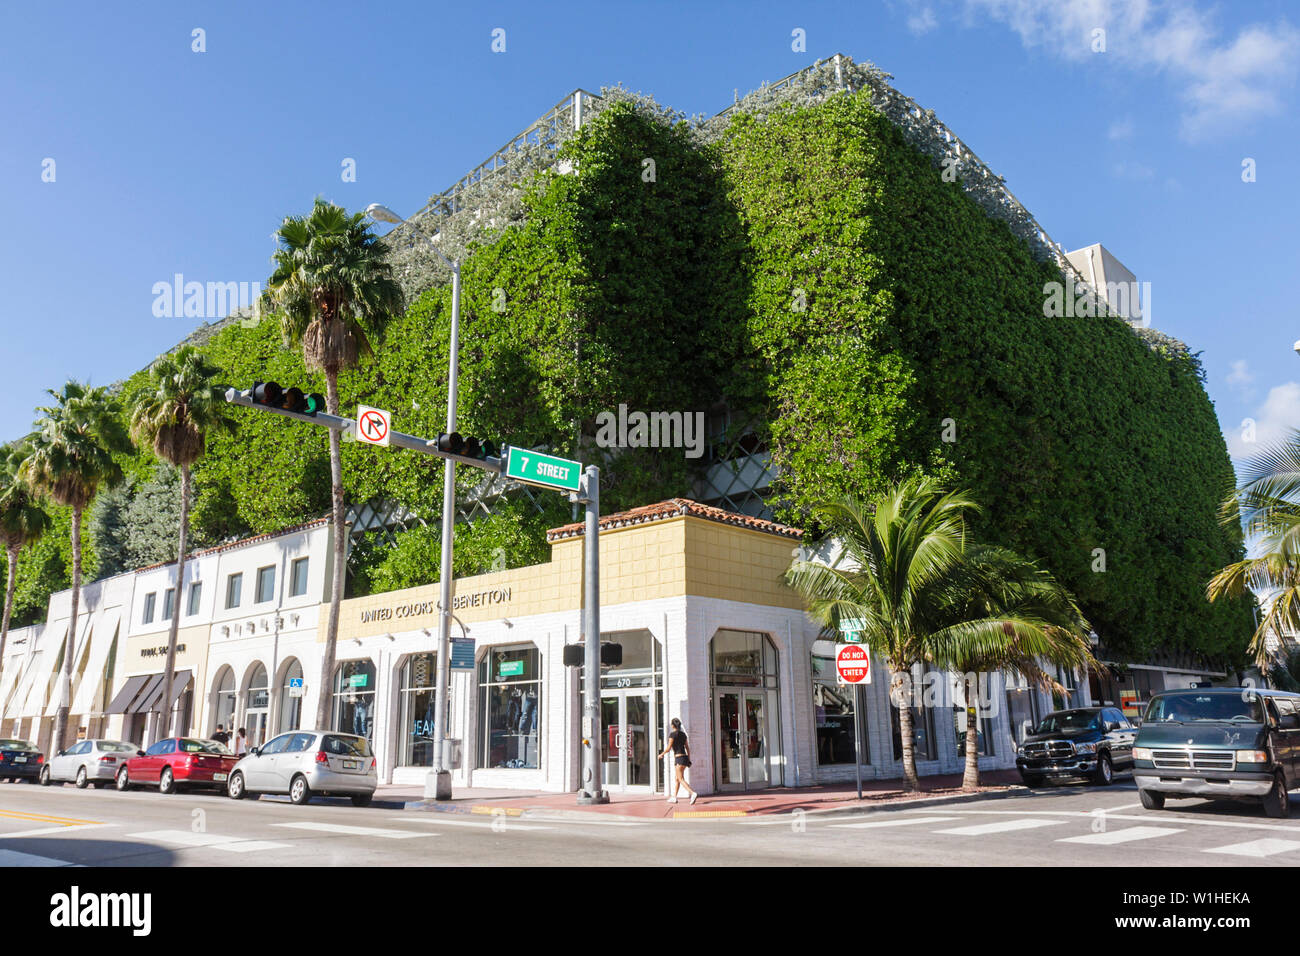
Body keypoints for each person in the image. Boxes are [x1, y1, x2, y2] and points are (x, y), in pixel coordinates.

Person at [658, 717, 698, 805]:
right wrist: (689, 759)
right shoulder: (683, 734)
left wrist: (661, 754)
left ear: (672, 725)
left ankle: (692, 793)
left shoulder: (672, 735)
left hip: (678, 758)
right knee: (677, 779)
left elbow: (669, 748)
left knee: (680, 779)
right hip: (684, 758)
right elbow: (687, 747)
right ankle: (674, 797)